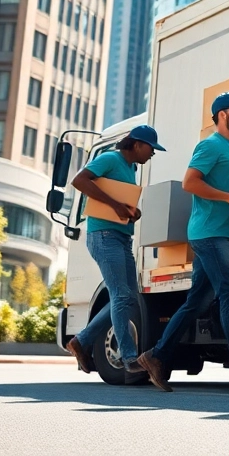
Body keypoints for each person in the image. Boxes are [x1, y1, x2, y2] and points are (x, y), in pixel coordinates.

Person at [138, 92, 229, 395]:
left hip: (221, 232)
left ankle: (155, 356)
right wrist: (228, 198)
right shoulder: (209, 145)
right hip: (208, 233)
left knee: (198, 301)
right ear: (221, 115)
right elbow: (189, 182)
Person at [65, 125, 165, 376]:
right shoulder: (110, 158)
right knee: (121, 297)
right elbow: (79, 180)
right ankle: (129, 357)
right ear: (137, 144)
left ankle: (81, 340)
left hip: (121, 237)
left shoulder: (131, 168)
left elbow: (119, 202)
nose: (152, 154)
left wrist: (131, 211)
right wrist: (116, 205)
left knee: (127, 297)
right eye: (151, 148)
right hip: (103, 236)